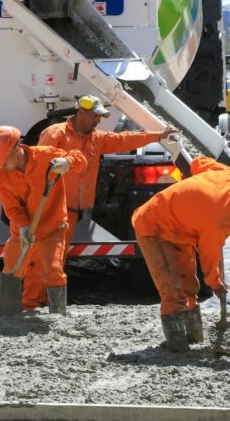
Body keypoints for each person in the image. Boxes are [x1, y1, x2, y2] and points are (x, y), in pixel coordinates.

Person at [20, 95, 177, 310]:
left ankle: (42, 300)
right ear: (81, 113)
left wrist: (157, 136)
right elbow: (40, 168)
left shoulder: (96, 138)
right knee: (41, 257)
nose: (98, 121)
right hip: (50, 207)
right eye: (95, 116)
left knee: (56, 256)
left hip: (71, 210)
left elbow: (125, 139)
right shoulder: (54, 134)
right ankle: (30, 303)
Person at [131, 159, 230, 352]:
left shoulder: (229, 175)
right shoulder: (218, 220)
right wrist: (216, 283)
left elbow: (198, 163)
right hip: (154, 227)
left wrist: (192, 196)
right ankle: (177, 347)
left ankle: (194, 337)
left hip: (180, 229)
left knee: (189, 286)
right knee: (172, 290)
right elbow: (209, 258)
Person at [0, 125, 87, 315]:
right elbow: (13, 208)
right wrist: (23, 228)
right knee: (12, 270)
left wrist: (68, 161)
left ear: (17, 148)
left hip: (52, 227)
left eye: (5, 159)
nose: (3, 164)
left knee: (53, 270)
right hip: (22, 231)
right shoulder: (2, 175)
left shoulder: (46, 157)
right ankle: (4, 313)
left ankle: (58, 315)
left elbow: (80, 160)